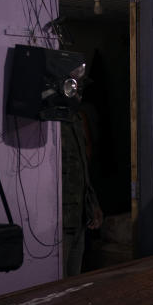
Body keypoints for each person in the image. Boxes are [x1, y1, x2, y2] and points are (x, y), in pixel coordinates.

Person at [62, 109, 103, 276]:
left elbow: (83, 167)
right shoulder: (56, 120)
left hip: (79, 215)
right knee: (59, 279)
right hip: (62, 218)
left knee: (73, 277)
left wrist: (93, 203)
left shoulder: (77, 118)